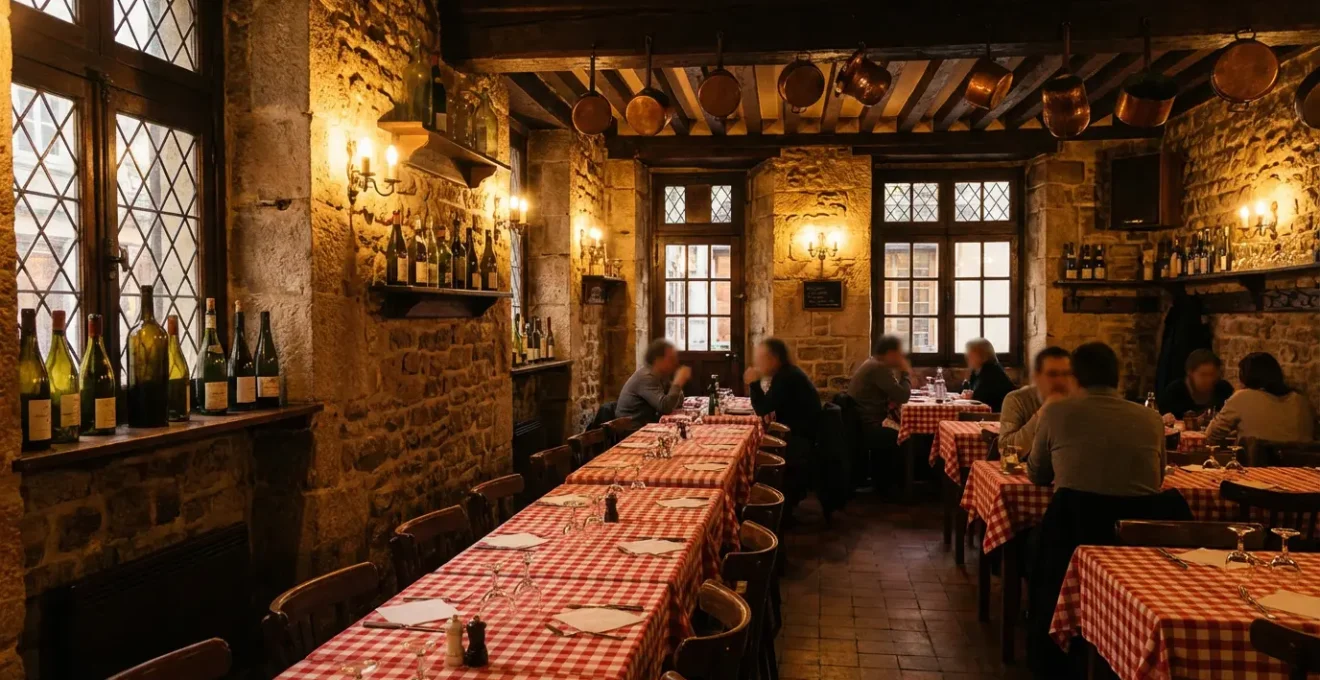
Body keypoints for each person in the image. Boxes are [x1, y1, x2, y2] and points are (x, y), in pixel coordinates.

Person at [1028, 342, 1166, 495]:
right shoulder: (1153, 419)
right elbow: (1158, 479)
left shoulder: (1054, 413)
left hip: (1075, 516)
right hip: (1137, 516)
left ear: (1074, 379)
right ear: (1117, 379)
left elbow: (1038, 475)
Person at [745, 338, 821, 506]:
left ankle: (762, 505)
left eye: (761, 359)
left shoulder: (787, 378)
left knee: (752, 453)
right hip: (800, 434)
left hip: (799, 440)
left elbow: (763, 408)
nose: (757, 364)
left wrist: (754, 383)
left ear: (774, 358)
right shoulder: (786, 373)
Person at [847, 335, 912, 490]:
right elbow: (903, 396)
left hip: (861, 421)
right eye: (899, 354)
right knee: (906, 437)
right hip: (868, 425)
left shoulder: (873, 363)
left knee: (903, 432)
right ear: (890, 353)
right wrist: (905, 373)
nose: (901, 358)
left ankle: (884, 482)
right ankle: (894, 487)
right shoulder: (878, 368)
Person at [1206, 352, 1314, 444]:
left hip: (1256, 466)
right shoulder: (1301, 401)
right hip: (1301, 467)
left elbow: (1211, 435)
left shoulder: (1243, 397)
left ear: (1245, 377)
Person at [998, 346, 1073, 456]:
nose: (1060, 381)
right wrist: (1042, 413)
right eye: (1053, 374)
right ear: (1036, 377)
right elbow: (1006, 451)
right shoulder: (1017, 400)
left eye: (1066, 374)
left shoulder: (1079, 400)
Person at [616, 339, 691, 428]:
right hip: (632, 430)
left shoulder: (661, 375)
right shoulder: (646, 377)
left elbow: (677, 403)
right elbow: (665, 407)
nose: (675, 362)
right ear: (658, 360)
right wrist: (678, 383)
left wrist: (675, 385)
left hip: (648, 425)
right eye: (671, 359)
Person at [1159, 349, 1234, 426]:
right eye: (1203, 375)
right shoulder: (1174, 392)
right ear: (1190, 373)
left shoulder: (1224, 389)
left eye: (1212, 375)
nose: (1209, 380)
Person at [959, 338, 1015, 412]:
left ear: (983, 355)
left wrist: (971, 395)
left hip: (997, 414)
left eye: (971, 354)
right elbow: (966, 391)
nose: (968, 357)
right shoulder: (977, 370)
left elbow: (982, 397)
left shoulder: (992, 371)